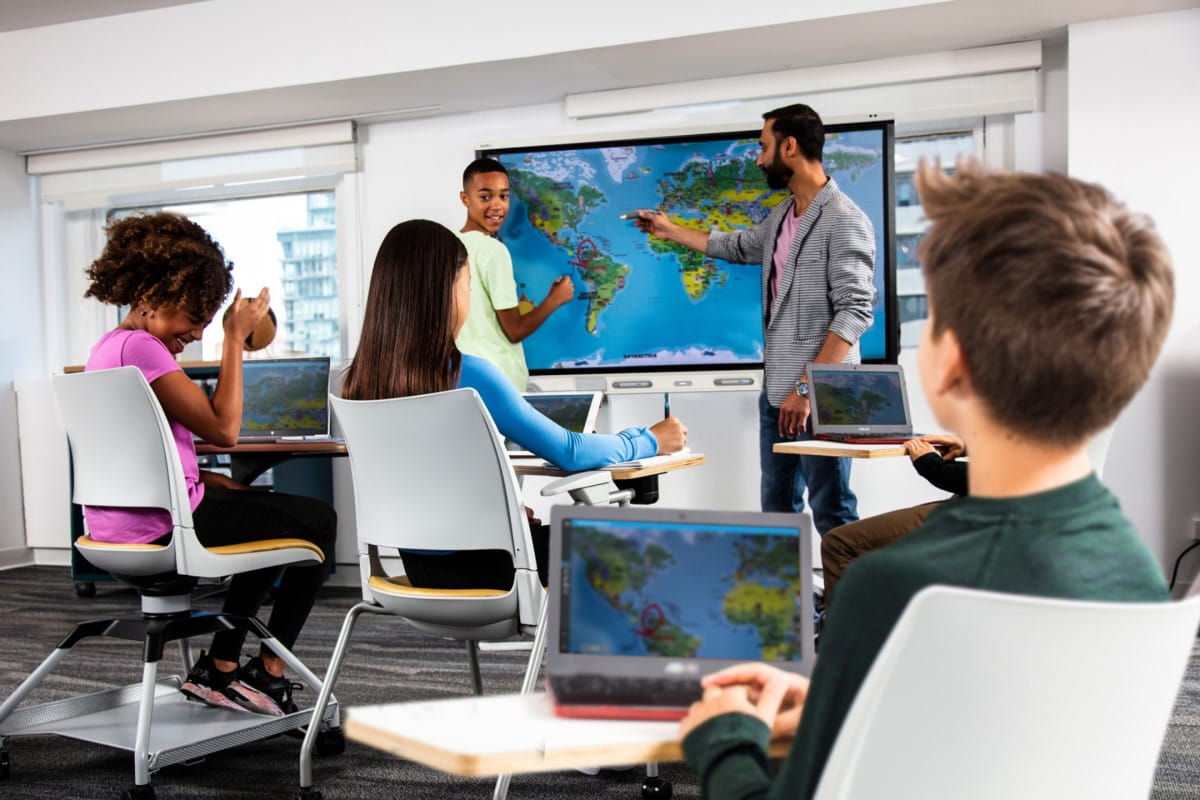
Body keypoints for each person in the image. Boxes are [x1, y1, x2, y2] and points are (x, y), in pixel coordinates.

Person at [676, 159, 1175, 799]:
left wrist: (724, 738)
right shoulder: (1134, 574)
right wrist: (832, 702)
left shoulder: (893, 588)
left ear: (951, 362)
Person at [82, 212, 337, 717]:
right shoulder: (144, 349)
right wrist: (232, 339)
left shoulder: (107, 348)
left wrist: (212, 480)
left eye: (206, 320)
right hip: (165, 526)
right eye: (193, 316)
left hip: (118, 522)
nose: (195, 331)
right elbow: (223, 430)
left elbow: (156, 446)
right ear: (156, 292)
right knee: (317, 521)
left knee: (257, 508)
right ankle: (265, 672)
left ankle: (219, 669)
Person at [341, 218, 687, 589]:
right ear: (446, 293)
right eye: (467, 286)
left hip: (417, 570)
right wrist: (649, 439)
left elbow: (421, 479)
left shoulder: (360, 382)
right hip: (494, 570)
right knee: (644, 546)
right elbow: (570, 451)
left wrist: (495, 515)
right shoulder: (468, 375)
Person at [634, 103, 875, 533]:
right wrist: (667, 229)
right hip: (777, 396)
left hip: (820, 398)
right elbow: (736, 245)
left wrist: (806, 389)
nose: (760, 159)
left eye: (764, 147)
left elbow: (855, 311)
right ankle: (794, 601)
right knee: (778, 513)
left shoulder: (844, 219)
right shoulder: (784, 215)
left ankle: (848, 602)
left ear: (789, 146)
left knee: (834, 513)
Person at [455, 157, 575, 391]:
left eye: (504, 195)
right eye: (485, 196)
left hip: (467, 380)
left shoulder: (449, 245)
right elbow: (514, 330)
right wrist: (554, 299)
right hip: (499, 383)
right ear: (465, 199)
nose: (497, 205)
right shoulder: (493, 250)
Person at [820, 433, 966, 607]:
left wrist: (931, 464)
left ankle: (847, 633)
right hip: (975, 500)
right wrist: (966, 447)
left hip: (984, 510)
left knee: (839, 543)